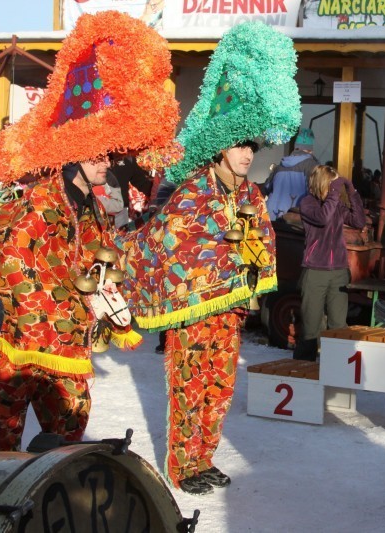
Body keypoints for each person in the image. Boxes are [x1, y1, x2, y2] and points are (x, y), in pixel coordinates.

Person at [0, 11, 178, 452]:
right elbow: (12, 268)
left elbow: (102, 260)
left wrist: (113, 302)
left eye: (112, 153)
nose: (109, 161)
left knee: (68, 445)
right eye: (100, 153)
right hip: (15, 355)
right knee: (0, 455)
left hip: (69, 352)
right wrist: (73, 299)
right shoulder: (34, 205)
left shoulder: (94, 209)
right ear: (73, 154)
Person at [117, 21, 300, 495]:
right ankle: (182, 466)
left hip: (231, 312)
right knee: (188, 387)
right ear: (220, 145)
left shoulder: (253, 196)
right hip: (196, 311)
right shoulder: (193, 191)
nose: (247, 154)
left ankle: (204, 458)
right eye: (241, 144)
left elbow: (262, 242)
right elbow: (171, 241)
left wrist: (252, 266)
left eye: (253, 146)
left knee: (219, 388)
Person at [292, 165, 366, 361]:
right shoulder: (307, 203)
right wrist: (335, 193)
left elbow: (359, 221)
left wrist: (352, 192)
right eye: (332, 185)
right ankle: (302, 371)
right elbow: (323, 218)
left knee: (338, 326)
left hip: (339, 270)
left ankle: (337, 368)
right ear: (323, 183)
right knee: (311, 326)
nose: (335, 189)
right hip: (315, 271)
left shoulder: (336, 205)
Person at [262, 127, 318, 221]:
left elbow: (266, 187)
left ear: (295, 148)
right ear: (310, 150)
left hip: (272, 219)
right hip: (295, 223)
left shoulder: (280, 166)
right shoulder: (313, 167)